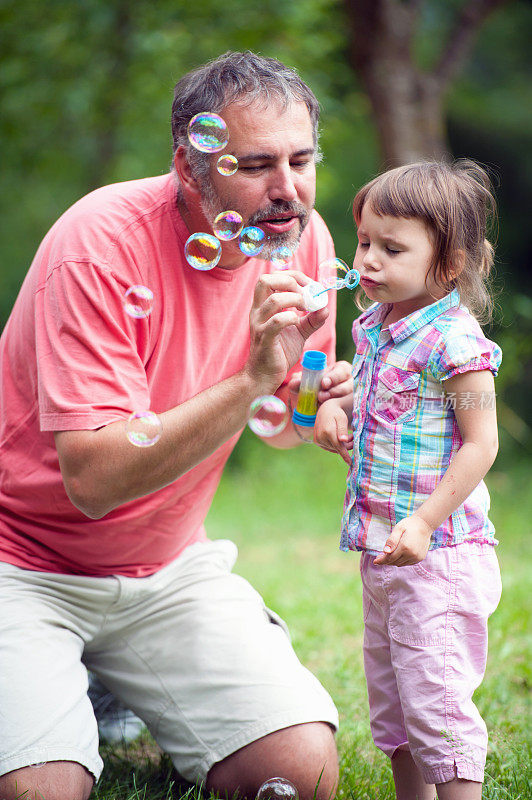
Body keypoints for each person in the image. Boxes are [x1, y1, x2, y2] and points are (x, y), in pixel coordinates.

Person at [0, 51, 353, 800]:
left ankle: (110, 675)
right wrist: (253, 377)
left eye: (301, 159)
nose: (287, 191)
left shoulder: (304, 239)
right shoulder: (98, 245)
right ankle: (79, 678)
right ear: (191, 170)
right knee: (37, 792)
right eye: (255, 165)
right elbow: (95, 482)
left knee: (302, 776)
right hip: (21, 562)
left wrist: (325, 409)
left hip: (164, 567)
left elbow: (282, 419)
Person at [314, 160, 502, 800]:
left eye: (392, 248)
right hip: (383, 551)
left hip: (439, 556)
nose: (367, 259)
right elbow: (364, 407)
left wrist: (424, 521)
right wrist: (333, 410)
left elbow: (482, 444)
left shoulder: (456, 340)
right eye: (364, 241)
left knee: (437, 707)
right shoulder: (373, 328)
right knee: (394, 709)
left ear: (447, 263)